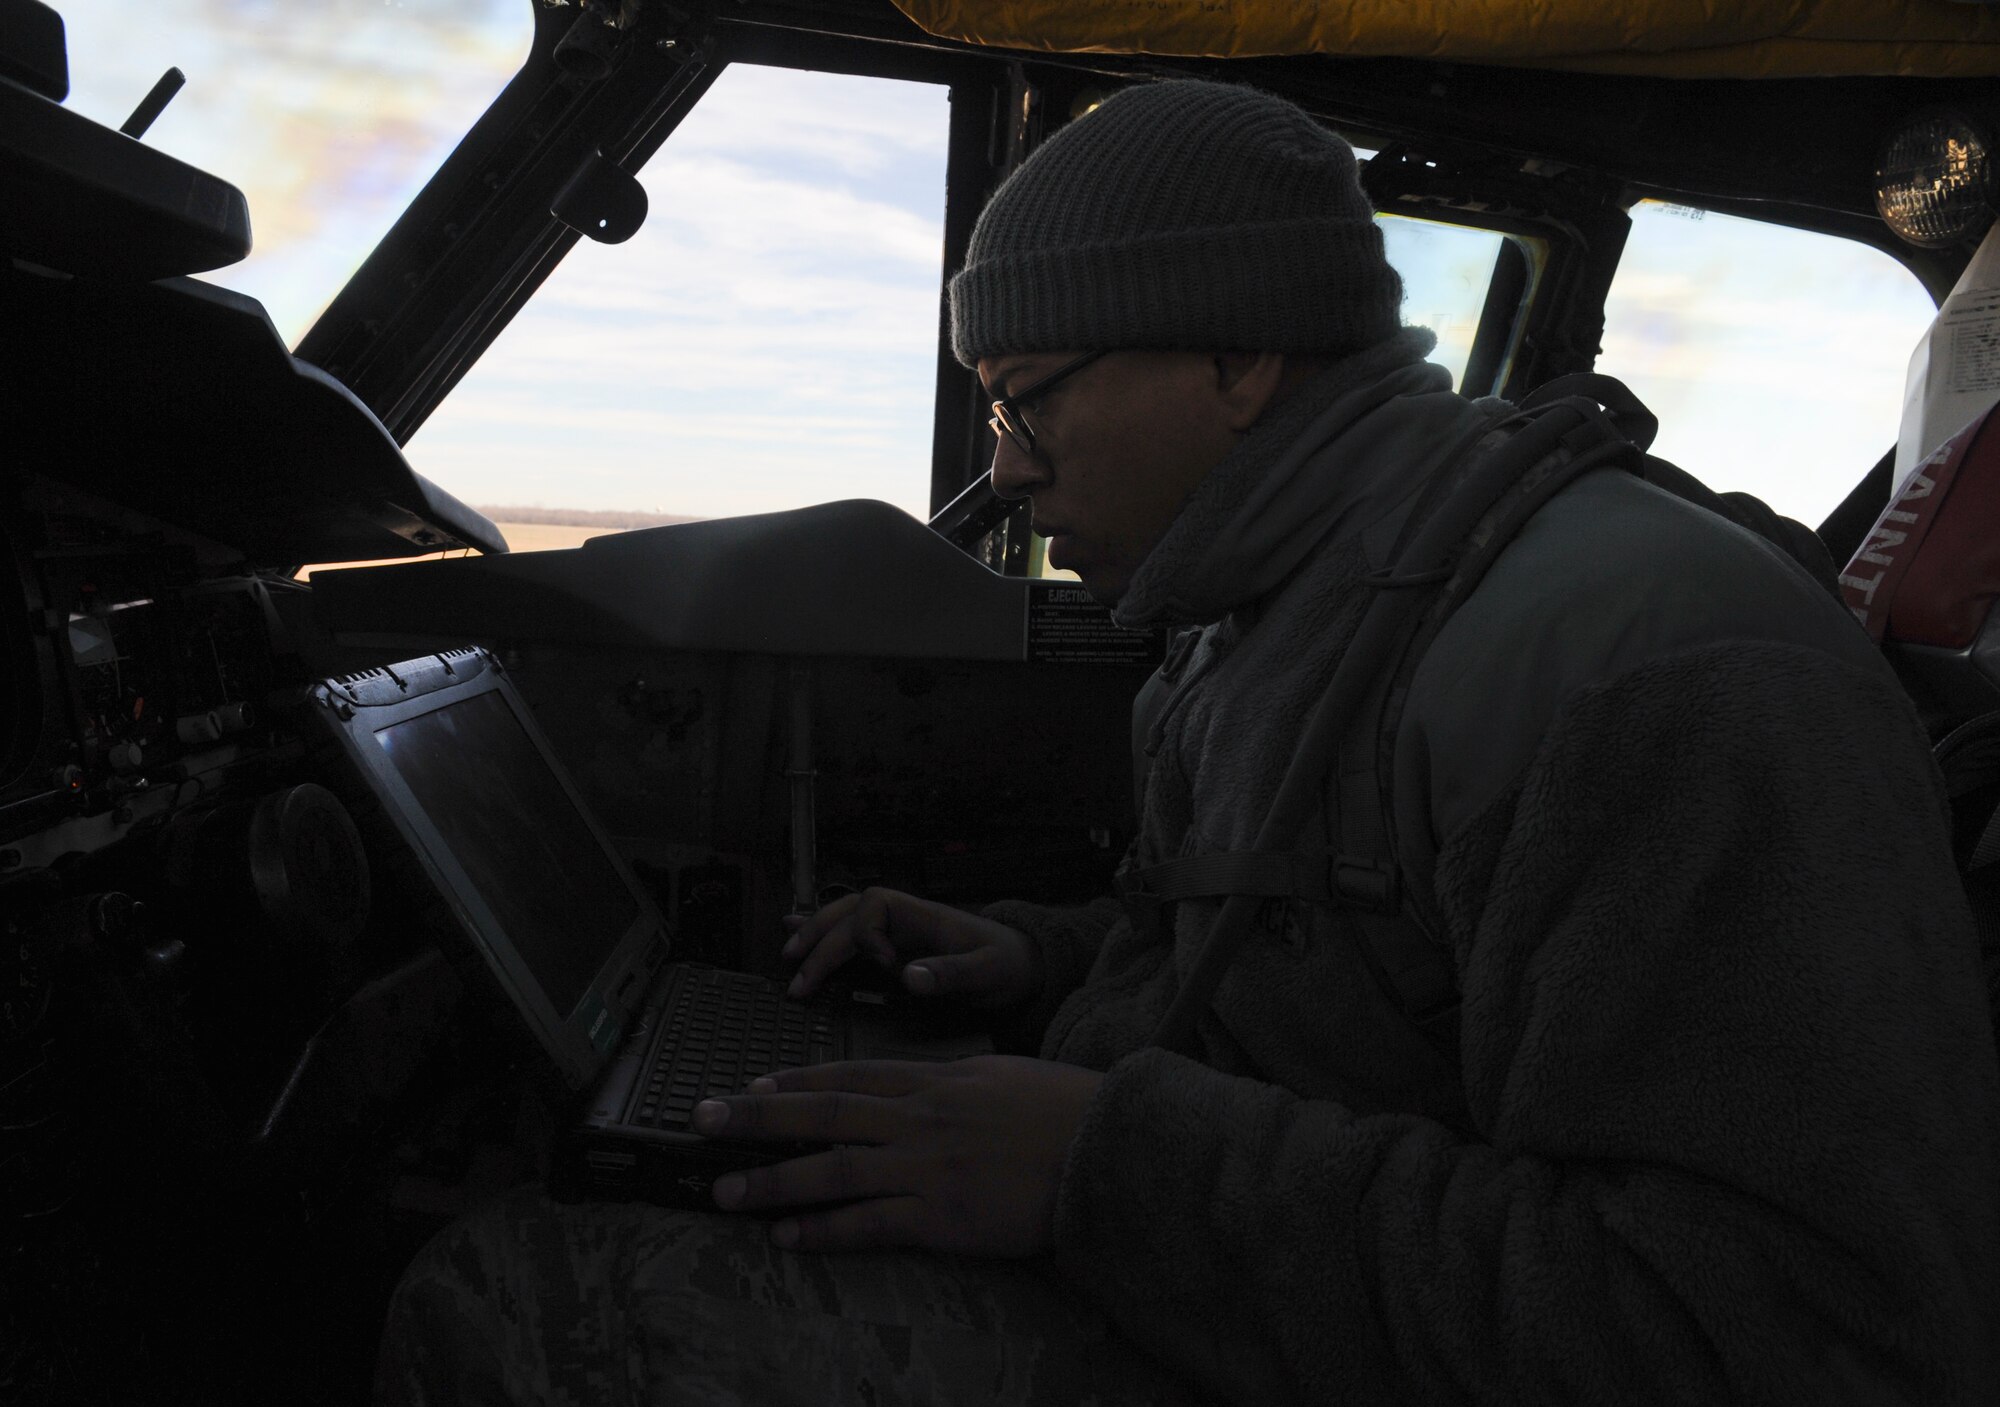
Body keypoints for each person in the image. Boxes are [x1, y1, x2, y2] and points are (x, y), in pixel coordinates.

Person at [376, 80, 2000, 1404]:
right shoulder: (1273, 602)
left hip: (1247, 1294)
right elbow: (1340, 970)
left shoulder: (1648, 677)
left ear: (1237, 357)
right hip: (1230, 1263)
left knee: (512, 1302)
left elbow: (1798, 1336)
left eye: (1029, 402)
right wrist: (1039, 966)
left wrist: (1109, 1169)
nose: (1004, 471)